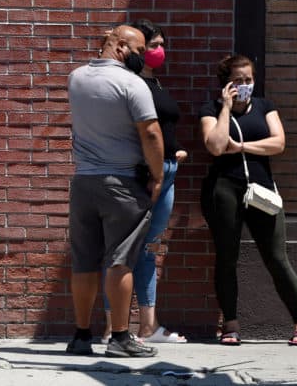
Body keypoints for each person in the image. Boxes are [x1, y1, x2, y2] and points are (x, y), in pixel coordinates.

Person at [199, 54, 297, 346]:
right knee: (227, 258)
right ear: (226, 84)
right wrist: (226, 108)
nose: (245, 85)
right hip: (225, 190)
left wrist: (241, 147)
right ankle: (231, 324)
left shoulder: (264, 106)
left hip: (262, 191)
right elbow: (214, 145)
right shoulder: (211, 109)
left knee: (277, 257)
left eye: (249, 79)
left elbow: (279, 142)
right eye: (238, 81)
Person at [65, 25, 164, 358]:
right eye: (138, 52)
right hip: (123, 184)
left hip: (84, 183)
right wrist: (157, 175)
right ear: (121, 46)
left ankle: (81, 336)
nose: (142, 59)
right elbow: (150, 134)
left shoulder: (76, 78)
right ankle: (120, 337)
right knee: (121, 261)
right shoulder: (132, 84)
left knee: (84, 262)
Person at [100, 21, 188, 344]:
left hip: (168, 171)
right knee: (120, 250)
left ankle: (148, 326)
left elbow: (161, 125)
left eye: (161, 45)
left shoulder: (158, 84)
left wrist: (173, 151)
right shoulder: (130, 83)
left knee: (148, 248)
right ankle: (113, 327)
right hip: (141, 174)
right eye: (152, 46)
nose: (158, 51)